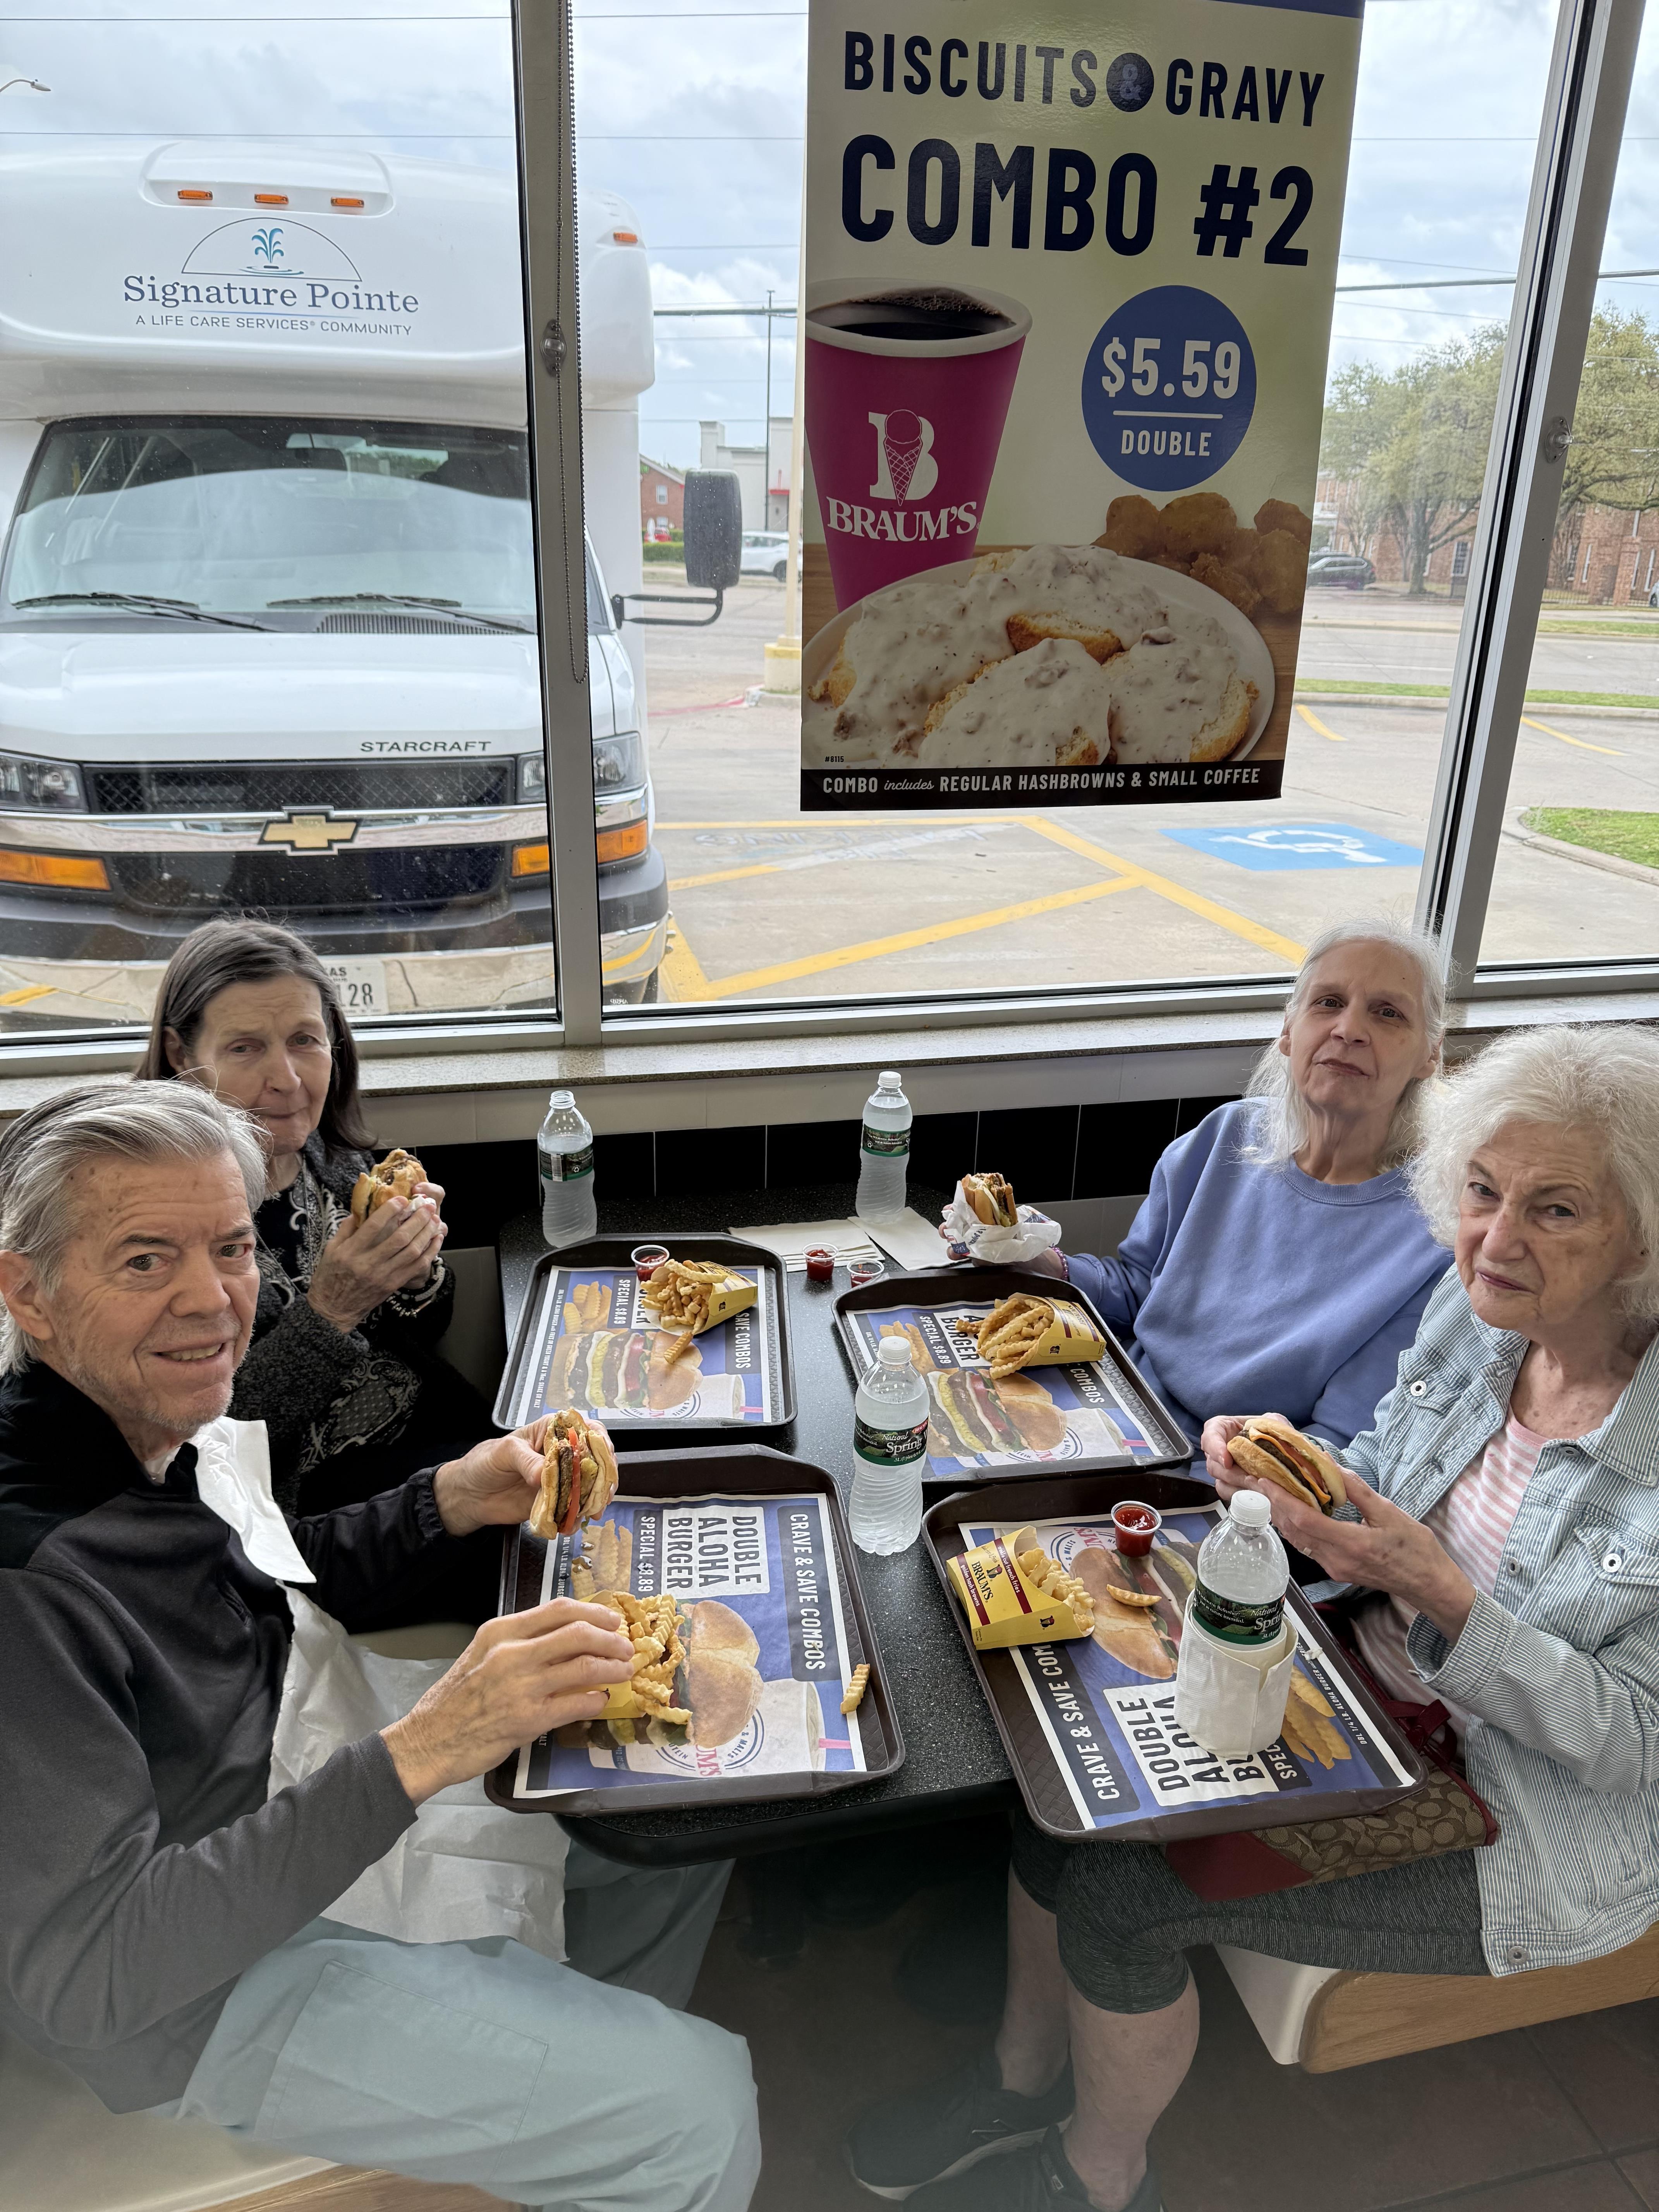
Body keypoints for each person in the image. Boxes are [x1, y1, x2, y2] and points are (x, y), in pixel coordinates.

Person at [851, 1022, 1659, 2212]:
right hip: (1354, 1692)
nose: (1493, 1239)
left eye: (1555, 1210)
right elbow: (1378, 1465)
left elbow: (1626, 1743)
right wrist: (1284, 1486)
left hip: (1513, 1813)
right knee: (1058, 1787)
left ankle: (1097, 2176)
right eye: (1481, 1192)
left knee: (1124, 1900)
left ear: (1642, 1234)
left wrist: (1440, 1589)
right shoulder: (1474, 1316)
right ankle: (1016, 2082)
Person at [0, 1082, 758, 2211]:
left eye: (228, 1247)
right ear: (31, 1293)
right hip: (198, 1994)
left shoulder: (152, 1426)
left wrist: (452, 1495)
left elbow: (272, 1569)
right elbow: (90, 1979)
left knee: (688, 1806)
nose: (214, 1304)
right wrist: (428, 1747)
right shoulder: (29, 1586)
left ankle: (541, 2097)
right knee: (697, 2112)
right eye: (145, 1261)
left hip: (300, 1773)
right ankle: (591, 2112)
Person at [998, 917, 1451, 1455]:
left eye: (1388, 1013)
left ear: (1430, 1054)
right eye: (1328, 1002)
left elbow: (1338, 1443)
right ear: (1289, 1030)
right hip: (1112, 1407)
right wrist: (1040, 1262)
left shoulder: (1437, 1233)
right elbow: (1140, 1292)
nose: (1349, 1029)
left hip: (1230, 1481)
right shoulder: (1227, 1135)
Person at [134, 918, 489, 1517]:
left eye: (305, 1040)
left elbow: (422, 1330)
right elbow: (202, 1437)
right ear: (182, 1055)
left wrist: (417, 1274)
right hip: (301, 1505)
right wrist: (332, 1311)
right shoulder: (157, 1216)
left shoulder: (336, 1162)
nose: (289, 1080)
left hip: (428, 1433)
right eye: (245, 1048)